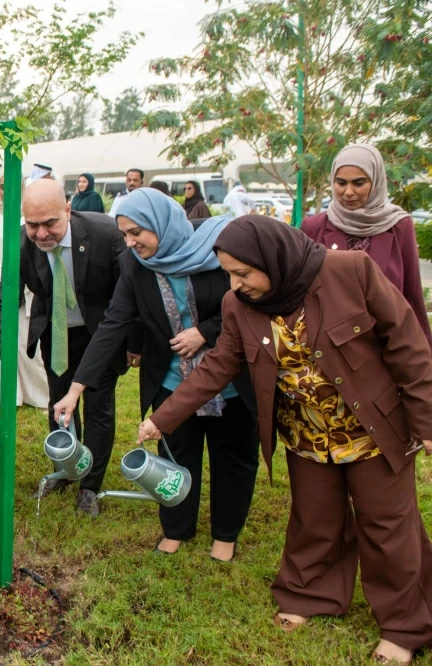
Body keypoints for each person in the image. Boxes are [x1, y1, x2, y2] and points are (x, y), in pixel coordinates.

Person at [138, 216, 432, 665]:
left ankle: (404, 624)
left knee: (387, 527)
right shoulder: (240, 306)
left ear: (271, 258)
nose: (234, 286)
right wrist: (164, 418)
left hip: (372, 429)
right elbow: (219, 364)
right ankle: (311, 594)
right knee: (315, 520)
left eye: (241, 273)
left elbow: (407, 346)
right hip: (305, 434)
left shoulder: (350, 271)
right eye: (228, 275)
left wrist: (427, 422)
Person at [53, 189, 257, 559]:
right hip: (171, 380)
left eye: (137, 233)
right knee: (175, 457)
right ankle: (177, 528)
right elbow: (113, 324)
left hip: (229, 381)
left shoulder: (217, 248)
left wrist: (205, 332)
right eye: (124, 235)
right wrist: (76, 389)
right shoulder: (134, 265)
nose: (130, 243)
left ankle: (225, 535)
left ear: (160, 223)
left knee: (233, 457)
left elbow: (247, 304)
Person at [0, 178, 128, 516]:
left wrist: (133, 343)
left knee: (98, 408)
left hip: (100, 334)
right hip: (56, 333)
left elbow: (127, 295)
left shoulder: (105, 234)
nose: (41, 234)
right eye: (32, 225)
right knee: (59, 404)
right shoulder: (21, 245)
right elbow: (4, 302)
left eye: (50, 223)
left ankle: (90, 486)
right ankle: (68, 467)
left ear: (68, 210)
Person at [302, 143, 432, 347]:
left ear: (376, 181)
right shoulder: (313, 227)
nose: (348, 192)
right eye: (341, 182)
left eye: (359, 183)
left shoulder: (399, 225)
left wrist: (425, 353)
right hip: (329, 351)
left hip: (385, 347)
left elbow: (411, 294)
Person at [0, 170, 49, 408]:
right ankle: (4, 395)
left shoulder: (31, 217)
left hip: (28, 293)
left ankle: (36, 395)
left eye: (17, 185)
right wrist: (6, 275)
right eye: (5, 186)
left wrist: (20, 277)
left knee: (29, 349)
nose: (10, 191)